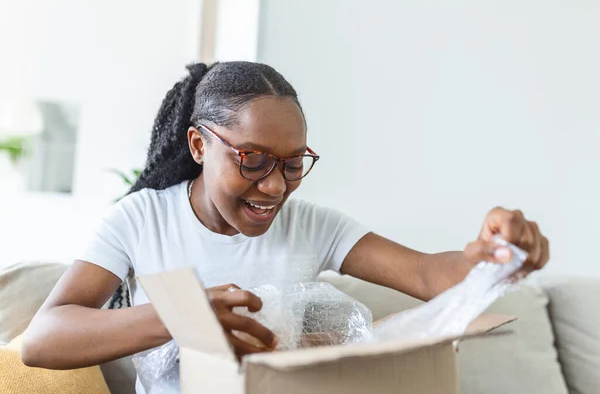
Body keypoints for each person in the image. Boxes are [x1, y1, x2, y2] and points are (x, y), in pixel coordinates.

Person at [21, 62, 549, 391]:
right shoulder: (142, 218)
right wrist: (186, 316)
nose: (275, 187)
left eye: (293, 163)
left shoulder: (311, 225)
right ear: (199, 145)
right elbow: (43, 340)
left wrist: (493, 254)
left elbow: (430, 275)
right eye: (252, 159)